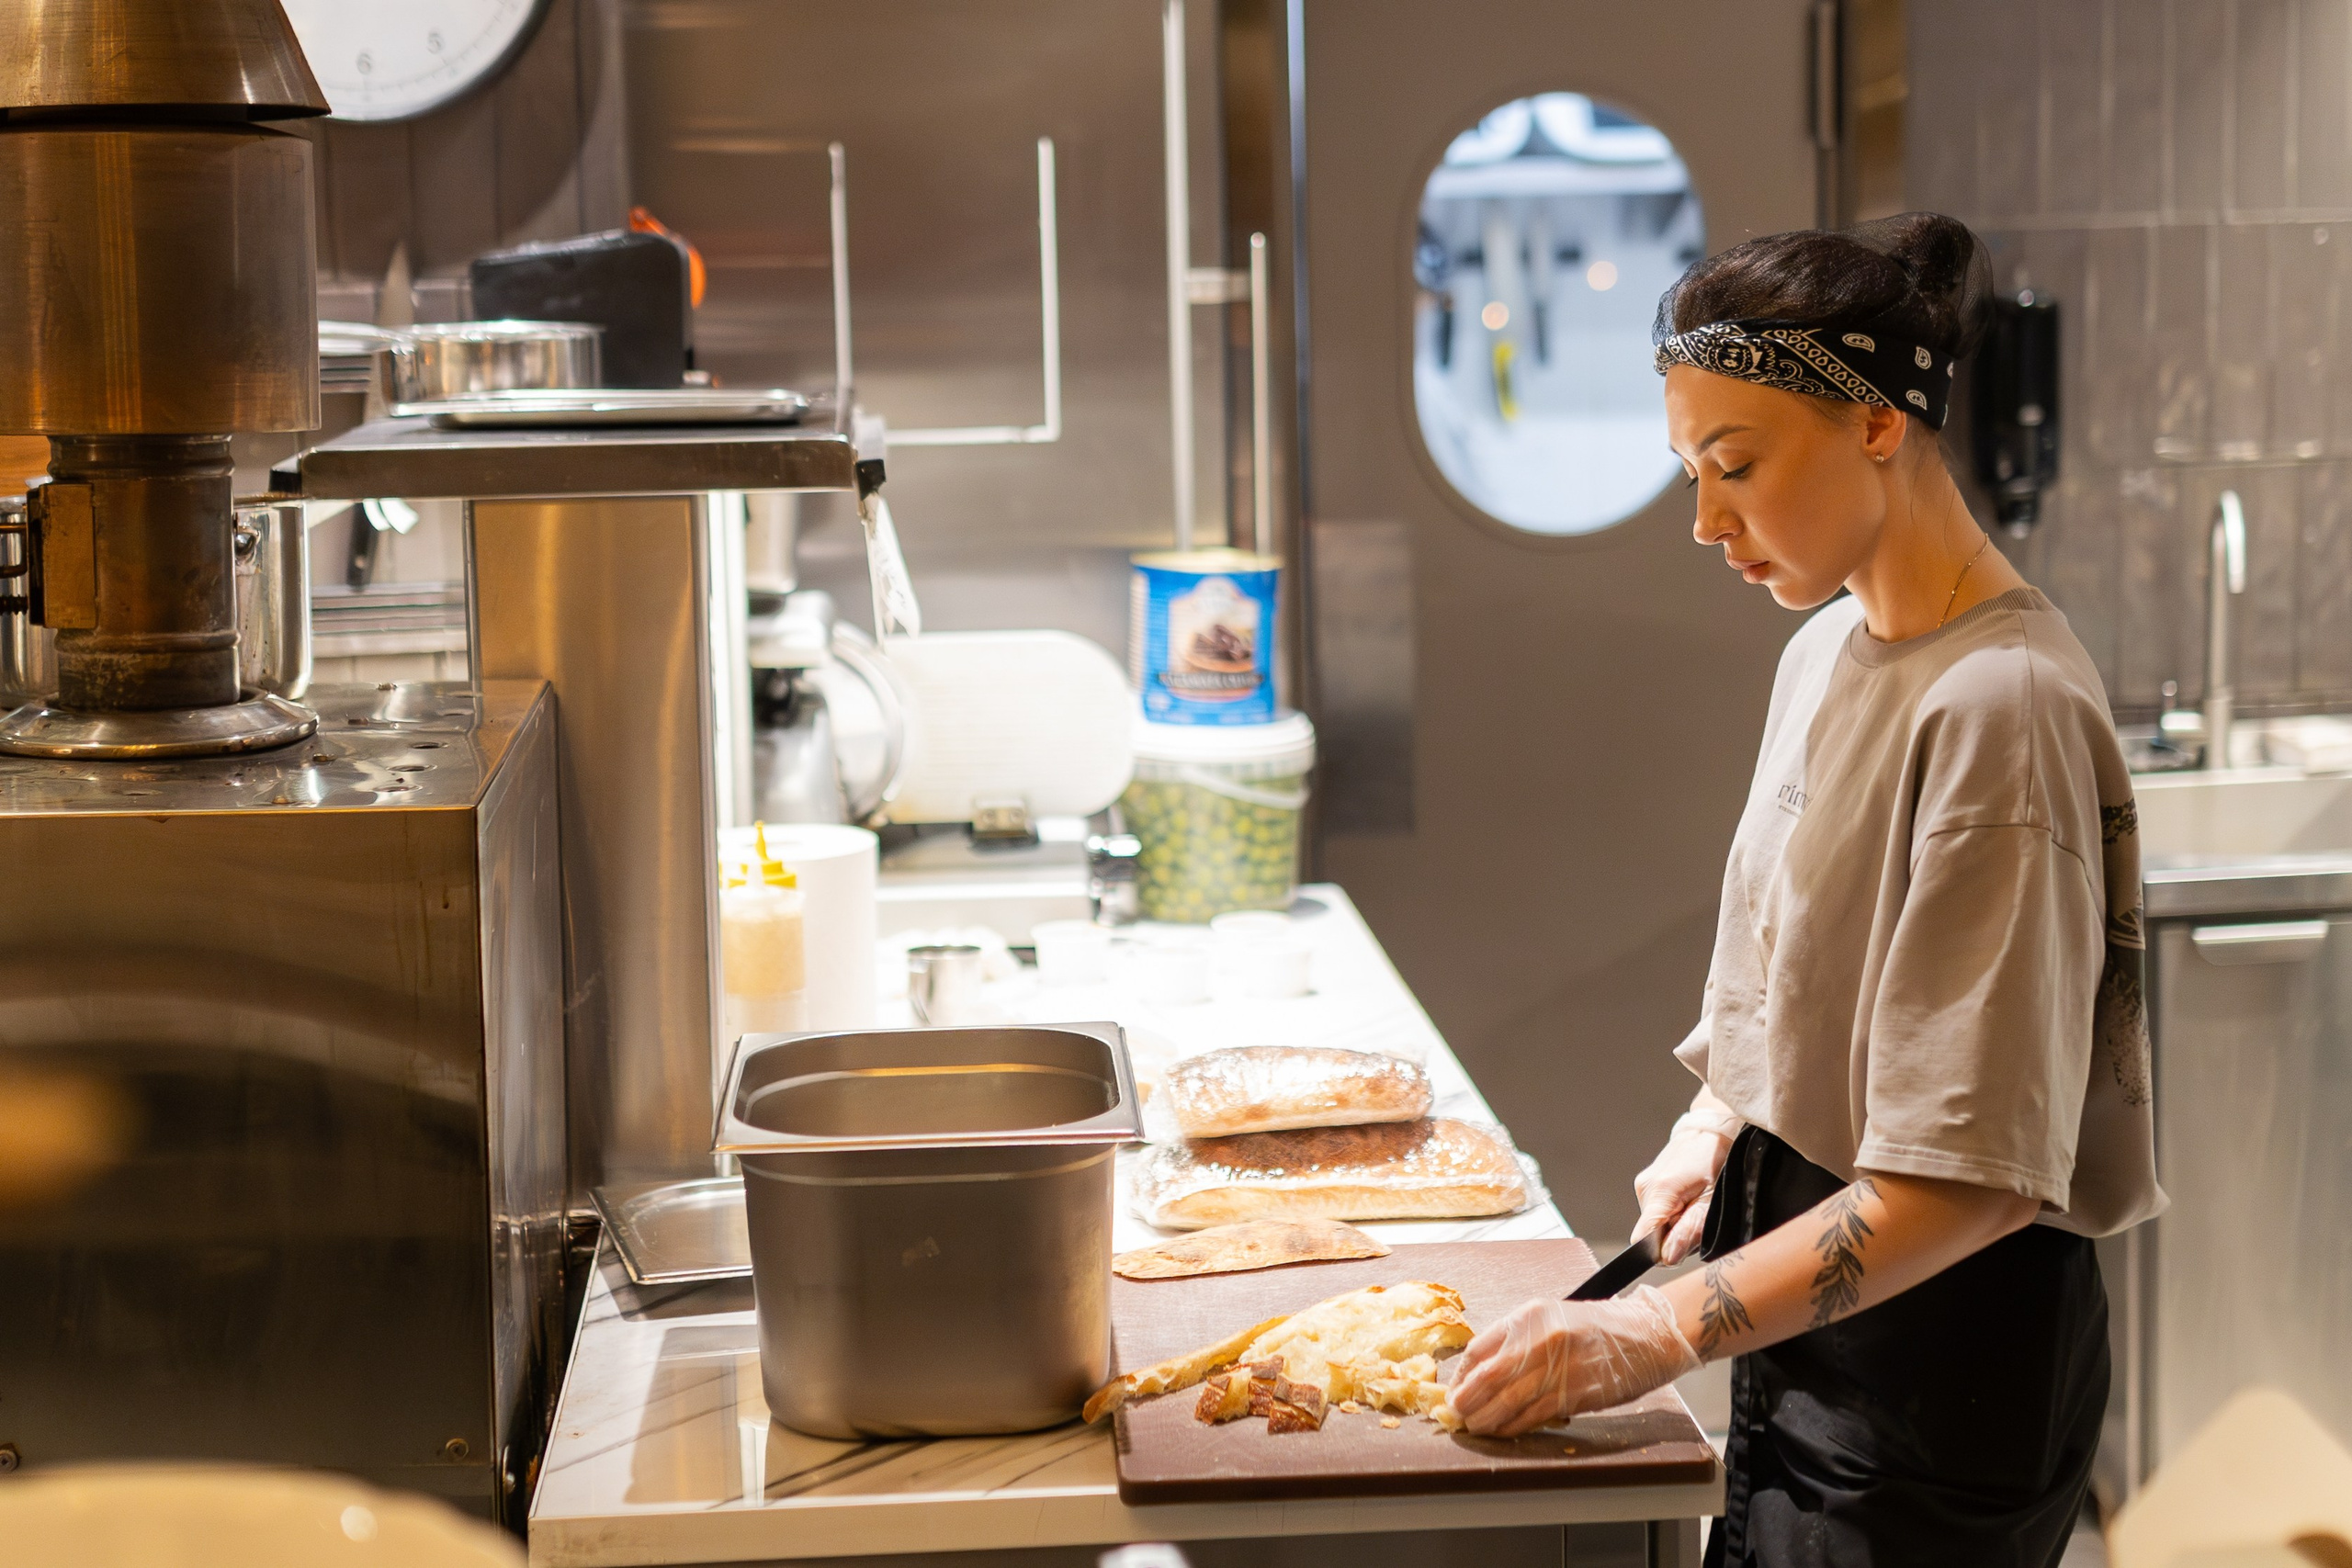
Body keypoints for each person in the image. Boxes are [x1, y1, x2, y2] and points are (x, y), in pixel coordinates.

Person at [1449, 213, 2165, 1567]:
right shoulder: (1832, 646)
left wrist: (1649, 1331)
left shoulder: (1999, 710)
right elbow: (1815, 966)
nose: (1708, 521)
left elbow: (1968, 1186)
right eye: (1688, 473)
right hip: (1818, 1324)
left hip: (1940, 1371)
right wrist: (1723, 1115)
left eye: (1737, 466)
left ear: (1879, 422)